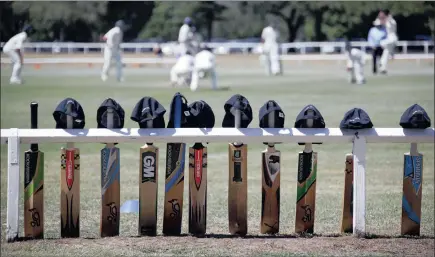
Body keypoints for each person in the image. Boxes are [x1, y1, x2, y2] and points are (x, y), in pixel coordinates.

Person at [378, 9, 398, 74]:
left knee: (381, 43)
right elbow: (382, 22)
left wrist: (388, 17)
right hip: (390, 39)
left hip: (392, 38)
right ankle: (382, 68)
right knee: (386, 53)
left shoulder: (392, 21)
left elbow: (390, 22)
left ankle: (392, 53)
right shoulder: (387, 21)